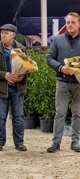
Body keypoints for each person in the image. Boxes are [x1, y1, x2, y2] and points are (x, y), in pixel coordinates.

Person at [0, 24, 27, 151]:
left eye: (6, 33)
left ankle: (19, 143)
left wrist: (22, 75)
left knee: (18, 116)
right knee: (0, 117)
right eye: (2, 33)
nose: (3, 35)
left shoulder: (21, 48)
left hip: (18, 88)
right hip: (1, 89)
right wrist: (5, 75)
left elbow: (27, 66)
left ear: (13, 34)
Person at [46, 12, 80, 153]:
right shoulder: (57, 39)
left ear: (79, 24)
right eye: (68, 23)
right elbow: (49, 58)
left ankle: (75, 142)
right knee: (60, 112)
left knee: (78, 113)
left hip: (79, 83)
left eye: (73, 22)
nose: (70, 25)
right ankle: (56, 142)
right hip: (62, 81)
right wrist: (60, 68)